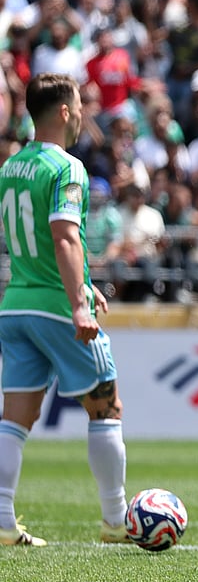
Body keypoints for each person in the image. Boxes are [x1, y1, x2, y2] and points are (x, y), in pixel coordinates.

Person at [0, 73, 131, 547]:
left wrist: (87, 285)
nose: (81, 115)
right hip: (56, 306)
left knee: (15, 416)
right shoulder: (67, 167)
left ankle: (2, 519)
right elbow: (64, 235)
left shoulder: (10, 168)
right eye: (78, 106)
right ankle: (117, 521)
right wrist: (79, 302)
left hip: (15, 304)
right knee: (107, 406)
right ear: (62, 111)